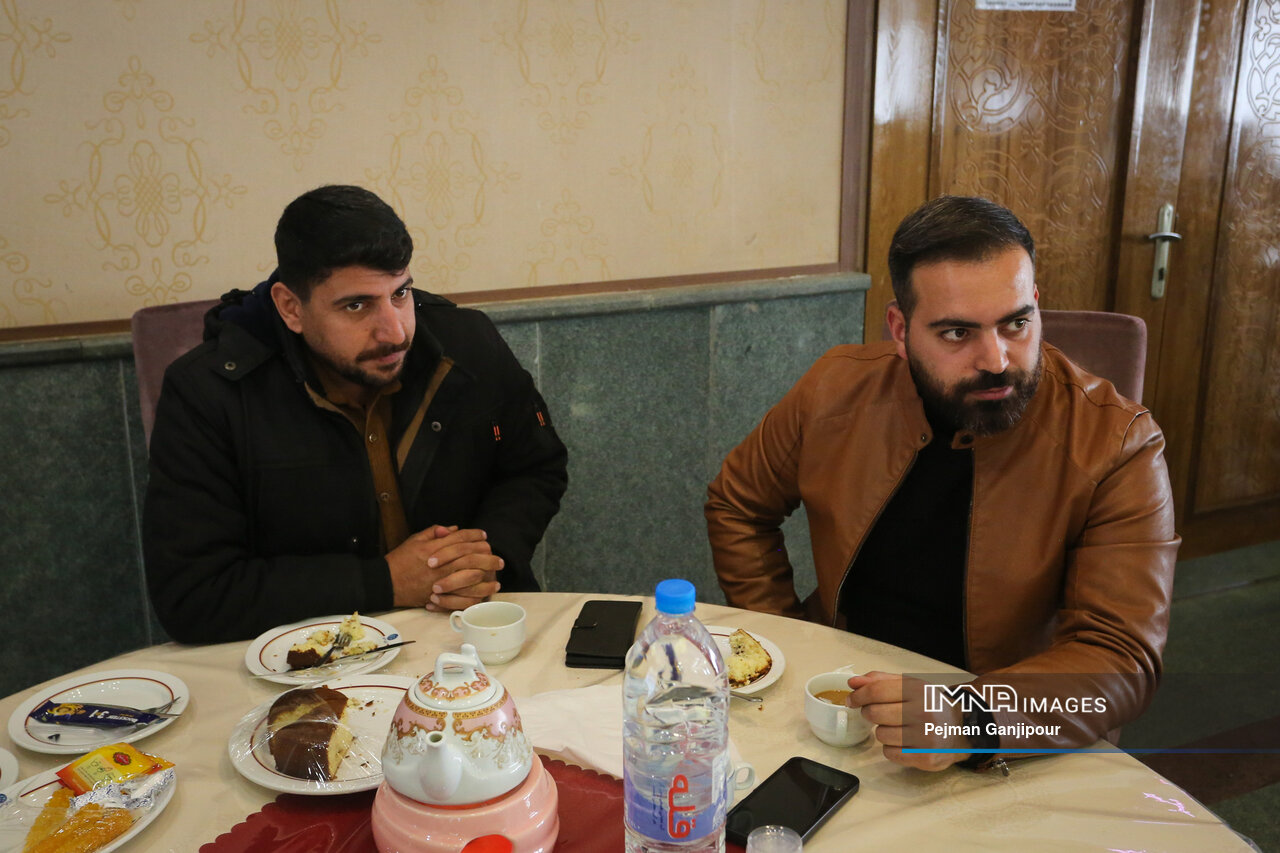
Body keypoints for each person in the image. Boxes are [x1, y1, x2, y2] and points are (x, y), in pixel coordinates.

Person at [705, 195, 1178, 770]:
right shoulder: (835, 389)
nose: (997, 359)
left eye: (1016, 323)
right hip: (842, 698)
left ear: (1036, 303)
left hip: (1006, 731)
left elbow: (1121, 658)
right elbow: (738, 504)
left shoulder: (1119, 441)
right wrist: (789, 644)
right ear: (901, 330)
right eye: (957, 332)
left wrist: (970, 719)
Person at [143, 185, 568, 643]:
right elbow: (193, 594)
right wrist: (385, 582)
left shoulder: (467, 343)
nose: (395, 332)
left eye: (400, 294)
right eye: (356, 305)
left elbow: (535, 466)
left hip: (473, 632)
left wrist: (484, 556)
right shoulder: (209, 392)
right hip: (308, 659)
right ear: (291, 308)